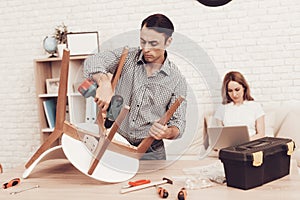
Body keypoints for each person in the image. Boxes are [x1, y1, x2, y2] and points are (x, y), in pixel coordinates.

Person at [83, 14, 187, 160]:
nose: (146, 49)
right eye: (142, 41)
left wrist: (167, 132)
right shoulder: (127, 57)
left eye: (153, 43)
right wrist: (104, 82)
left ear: (168, 41)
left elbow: (178, 124)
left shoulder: (177, 80)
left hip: (150, 151)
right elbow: (92, 62)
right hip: (115, 141)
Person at [214, 71, 265, 140]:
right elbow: (218, 138)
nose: (234, 94)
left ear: (244, 87)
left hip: (250, 144)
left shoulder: (255, 106)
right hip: (230, 147)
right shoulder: (222, 109)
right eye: (230, 91)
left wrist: (246, 141)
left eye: (237, 89)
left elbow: (261, 135)